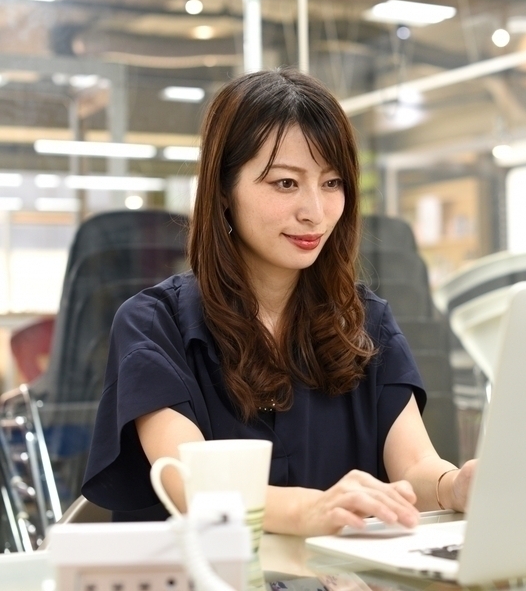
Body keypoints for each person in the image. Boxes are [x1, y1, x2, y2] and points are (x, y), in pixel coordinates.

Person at [82, 67, 476, 536]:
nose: (315, 212)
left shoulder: (366, 322)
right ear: (223, 190)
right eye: (286, 183)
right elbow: (190, 484)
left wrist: (454, 486)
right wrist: (308, 510)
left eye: (332, 183)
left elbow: (413, 467)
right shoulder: (154, 325)